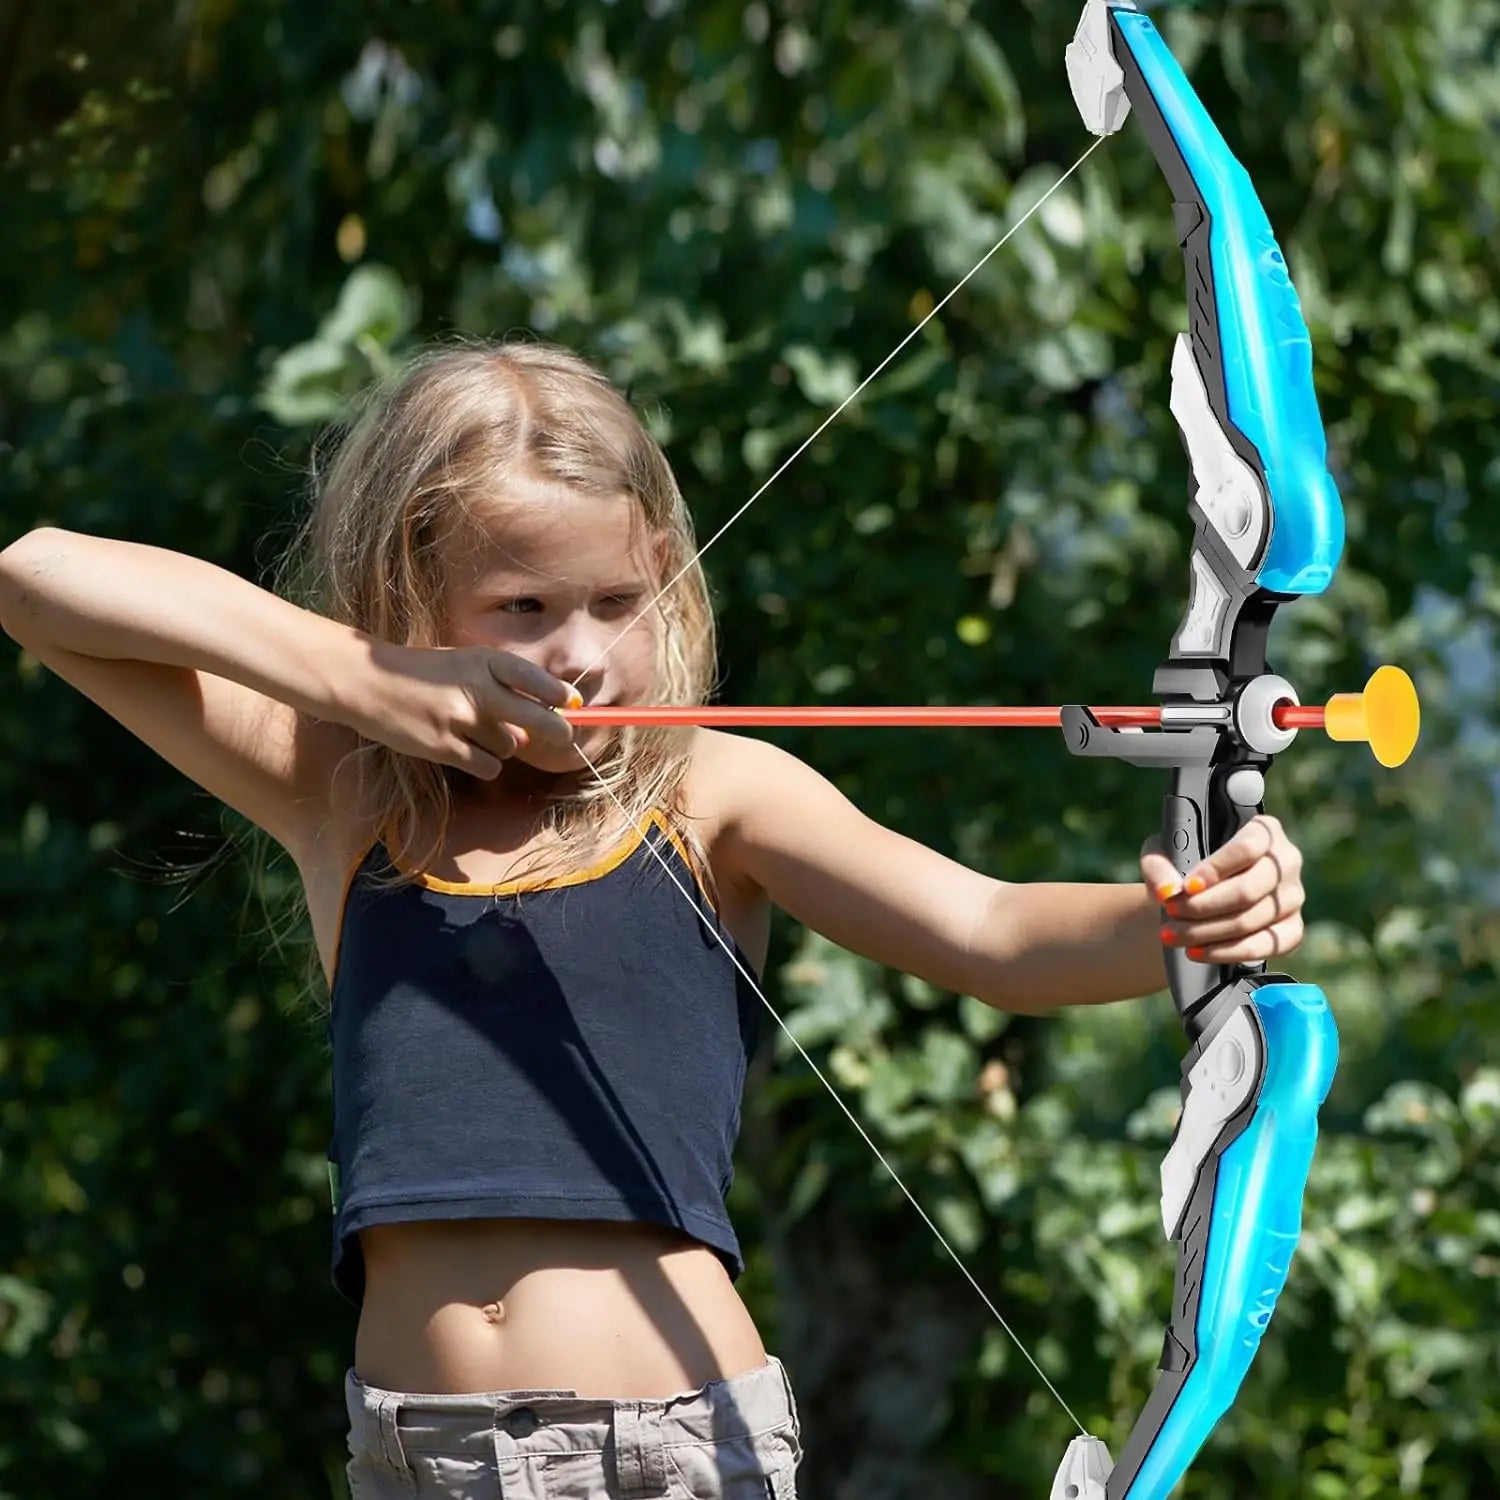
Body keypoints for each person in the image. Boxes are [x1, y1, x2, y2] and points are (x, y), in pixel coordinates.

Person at [0, 339, 1307, 1499]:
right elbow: (37, 582)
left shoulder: (710, 793)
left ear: (668, 583)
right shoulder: (346, 796)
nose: (581, 652)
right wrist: (359, 678)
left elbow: (991, 934)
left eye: (618, 603)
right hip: (416, 1452)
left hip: (671, 1448)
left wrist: (1186, 924)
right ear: (412, 596)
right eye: (524, 607)